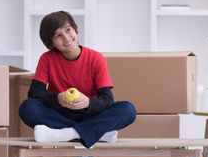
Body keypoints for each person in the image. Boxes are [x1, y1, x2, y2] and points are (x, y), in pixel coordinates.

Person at [19, 11, 136, 148]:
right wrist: (58, 98)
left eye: (68, 30)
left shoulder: (95, 58)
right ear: (51, 43)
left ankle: (66, 134)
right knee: (27, 108)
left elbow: (107, 100)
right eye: (58, 36)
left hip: (90, 114)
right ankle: (96, 133)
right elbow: (34, 94)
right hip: (59, 114)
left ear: (76, 29)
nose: (66, 38)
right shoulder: (47, 59)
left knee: (128, 109)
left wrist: (87, 102)